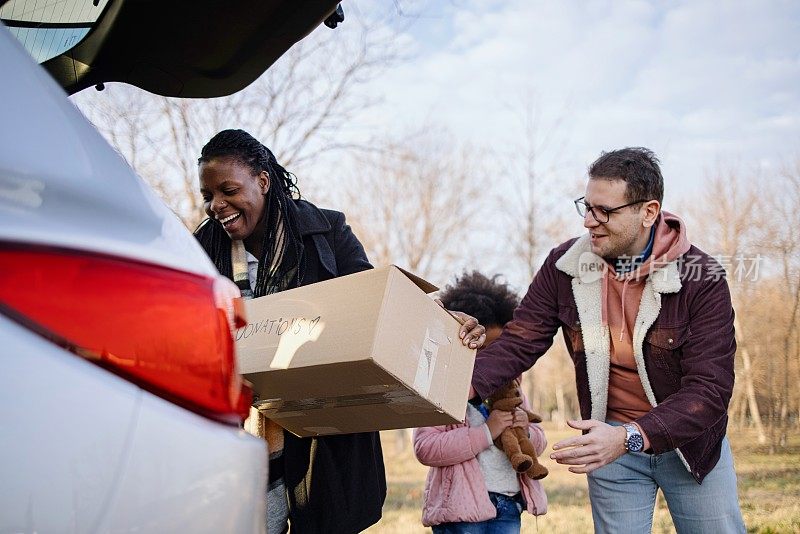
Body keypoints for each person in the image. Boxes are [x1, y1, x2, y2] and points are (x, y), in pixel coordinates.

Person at [194, 129, 486, 533]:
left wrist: (441, 320)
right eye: (209, 196)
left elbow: (373, 306)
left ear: (263, 180)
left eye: (228, 190)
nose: (217, 205)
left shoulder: (325, 231)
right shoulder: (201, 249)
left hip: (323, 437)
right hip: (240, 434)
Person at [468, 147, 746, 533]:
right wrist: (460, 385)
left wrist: (630, 437)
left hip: (691, 445)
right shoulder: (564, 266)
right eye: (587, 206)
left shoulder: (702, 278)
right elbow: (521, 340)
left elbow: (710, 389)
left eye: (605, 212)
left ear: (648, 212)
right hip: (607, 439)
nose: (589, 222)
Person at [414, 271, 548, 533]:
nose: (495, 363)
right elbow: (426, 447)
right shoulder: (444, 390)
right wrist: (487, 432)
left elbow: (539, 441)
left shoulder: (514, 389)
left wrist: (527, 428)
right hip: (460, 512)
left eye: (503, 351)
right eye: (485, 350)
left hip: (509, 505)